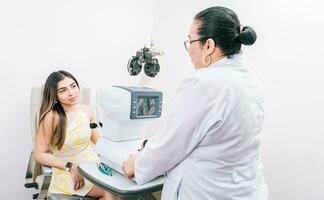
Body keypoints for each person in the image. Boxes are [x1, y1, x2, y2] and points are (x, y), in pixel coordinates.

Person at [122, 6, 269, 200]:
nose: (189, 49)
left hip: (207, 192)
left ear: (208, 45)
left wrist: (136, 163)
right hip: (248, 191)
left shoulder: (204, 83)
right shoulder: (252, 82)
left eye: (190, 41)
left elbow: (168, 147)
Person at [34, 70, 119, 200]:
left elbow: (99, 142)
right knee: (111, 194)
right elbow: (39, 155)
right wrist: (71, 167)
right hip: (67, 169)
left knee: (121, 190)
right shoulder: (52, 117)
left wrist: (121, 153)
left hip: (92, 164)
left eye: (73, 86)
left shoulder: (87, 110)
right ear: (54, 95)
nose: (71, 93)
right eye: (63, 90)